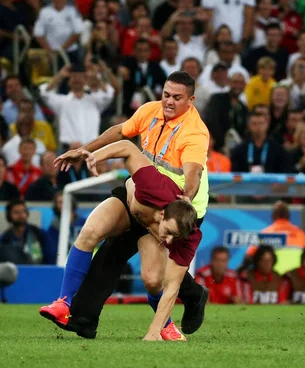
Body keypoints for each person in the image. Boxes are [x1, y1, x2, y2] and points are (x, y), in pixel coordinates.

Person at [44, 71, 210, 339]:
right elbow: (121, 133)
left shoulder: (195, 132)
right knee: (94, 233)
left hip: (176, 204)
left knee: (154, 279)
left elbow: (193, 173)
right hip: (144, 189)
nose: (168, 102)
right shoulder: (150, 111)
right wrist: (87, 151)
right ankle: (72, 309)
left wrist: (186, 198)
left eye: (176, 98)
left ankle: (191, 297)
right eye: (166, 94)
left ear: (190, 100)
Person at [40, 139, 200, 340]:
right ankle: (63, 302)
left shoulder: (188, 236)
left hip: (146, 225)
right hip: (127, 203)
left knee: (152, 280)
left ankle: (166, 326)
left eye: (173, 237)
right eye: (168, 232)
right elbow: (127, 147)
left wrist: (153, 332)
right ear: (161, 214)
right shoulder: (152, 185)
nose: (168, 240)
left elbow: (172, 288)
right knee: (89, 232)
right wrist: (94, 156)